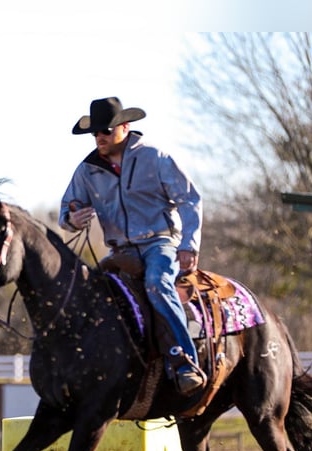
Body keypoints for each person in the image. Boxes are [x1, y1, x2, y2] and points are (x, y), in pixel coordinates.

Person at [58, 96, 205, 398]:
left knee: (156, 284)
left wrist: (189, 244)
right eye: (96, 133)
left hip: (159, 243)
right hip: (119, 252)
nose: (100, 137)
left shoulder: (155, 158)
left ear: (124, 128)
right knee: (86, 294)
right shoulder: (87, 170)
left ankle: (185, 361)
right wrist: (73, 217)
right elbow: (66, 212)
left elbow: (190, 199)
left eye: (106, 131)